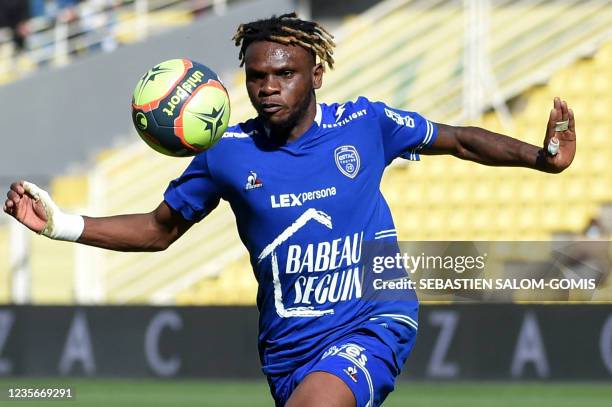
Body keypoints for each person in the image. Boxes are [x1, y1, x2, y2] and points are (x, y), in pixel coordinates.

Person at [4, 12, 576, 407]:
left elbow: (458, 140)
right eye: (257, 77)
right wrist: (61, 225)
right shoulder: (226, 154)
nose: (269, 88)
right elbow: (159, 230)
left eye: (284, 74)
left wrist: (540, 157)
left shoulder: (364, 124)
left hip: (373, 320)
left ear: (316, 75)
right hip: (287, 348)